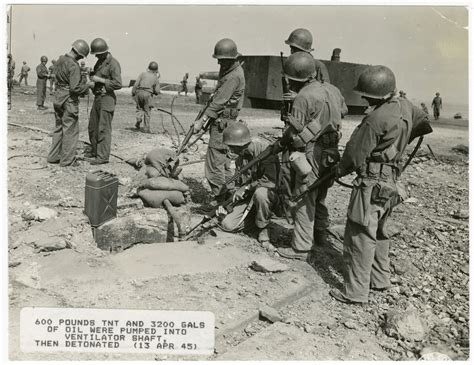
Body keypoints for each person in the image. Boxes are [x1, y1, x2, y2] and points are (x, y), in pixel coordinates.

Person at [328, 65, 429, 304]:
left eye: (366, 95)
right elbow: (422, 123)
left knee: (360, 235)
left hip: (371, 182)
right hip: (391, 180)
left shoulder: (375, 119)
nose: (363, 98)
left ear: (374, 95)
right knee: (381, 231)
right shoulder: (405, 105)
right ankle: (380, 280)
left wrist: (338, 171)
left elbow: (354, 156)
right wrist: (394, 148)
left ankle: (355, 292)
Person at [275, 52, 346, 261]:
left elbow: (293, 131)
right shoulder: (333, 90)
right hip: (331, 151)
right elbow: (344, 109)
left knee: (304, 196)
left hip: (312, 151)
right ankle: (321, 235)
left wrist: (283, 142)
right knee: (320, 194)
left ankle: (301, 248)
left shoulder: (304, 97)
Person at [193, 38, 245, 203]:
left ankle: (219, 198)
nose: (220, 63)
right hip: (226, 122)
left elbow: (218, 102)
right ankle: (230, 194)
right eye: (219, 60)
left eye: (222, 60)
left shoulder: (233, 76)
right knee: (224, 163)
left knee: (214, 162)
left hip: (222, 123)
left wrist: (201, 121)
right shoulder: (231, 71)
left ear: (231, 59)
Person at [216, 122, 279, 243]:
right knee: (227, 224)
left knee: (260, 194)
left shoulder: (266, 152)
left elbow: (270, 182)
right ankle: (255, 220)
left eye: (232, 146)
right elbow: (239, 186)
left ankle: (263, 227)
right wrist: (227, 207)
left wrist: (247, 188)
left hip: (271, 197)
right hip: (250, 198)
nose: (230, 149)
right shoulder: (241, 158)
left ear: (240, 145)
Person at [47, 40, 91, 167]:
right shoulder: (73, 65)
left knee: (59, 128)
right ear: (80, 54)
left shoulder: (60, 60)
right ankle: (67, 160)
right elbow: (74, 88)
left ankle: (53, 156)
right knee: (70, 130)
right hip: (68, 100)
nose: (81, 58)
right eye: (82, 56)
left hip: (58, 96)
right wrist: (87, 86)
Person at [86, 37, 122, 165]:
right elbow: (96, 79)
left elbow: (118, 84)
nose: (96, 57)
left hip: (107, 98)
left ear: (103, 52)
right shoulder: (99, 63)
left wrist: (100, 80)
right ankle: (96, 151)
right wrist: (91, 79)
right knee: (92, 127)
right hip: (98, 97)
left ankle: (102, 157)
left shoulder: (113, 64)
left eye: (97, 54)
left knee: (103, 128)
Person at [132, 61, 160, 133]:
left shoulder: (142, 74)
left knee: (139, 108)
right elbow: (157, 91)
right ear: (156, 70)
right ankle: (146, 129)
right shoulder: (155, 77)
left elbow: (136, 84)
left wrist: (133, 92)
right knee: (147, 111)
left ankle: (138, 118)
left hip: (139, 93)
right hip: (148, 94)